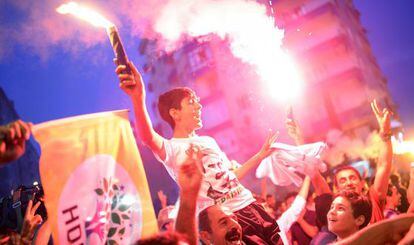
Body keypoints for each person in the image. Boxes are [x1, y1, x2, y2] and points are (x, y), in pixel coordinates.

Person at [116, 62, 280, 244]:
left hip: (251, 205)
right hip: (230, 219)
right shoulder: (171, 148)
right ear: (175, 113)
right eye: (192, 102)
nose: (199, 107)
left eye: (198, 102)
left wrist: (260, 155)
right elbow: (147, 137)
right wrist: (138, 98)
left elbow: (230, 177)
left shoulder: (208, 141)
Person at [285, 100, 392, 244]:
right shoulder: (333, 209)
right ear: (335, 189)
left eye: (352, 178)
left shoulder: (373, 200)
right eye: (342, 180)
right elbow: (314, 173)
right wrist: (299, 140)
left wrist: (385, 134)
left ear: (362, 183)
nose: (348, 182)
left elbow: (383, 166)